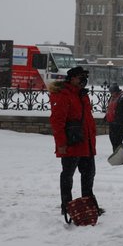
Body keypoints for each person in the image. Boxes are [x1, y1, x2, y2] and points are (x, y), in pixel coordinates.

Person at [49, 67, 98, 217]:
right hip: (72, 143)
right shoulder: (64, 95)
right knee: (68, 174)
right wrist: (61, 144)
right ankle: (67, 205)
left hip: (86, 142)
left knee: (89, 174)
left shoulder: (82, 95)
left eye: (84, 76)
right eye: (80, 77)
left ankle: (88, 204)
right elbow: (57, 121)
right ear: (71, 79)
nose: (83, 80)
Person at [105, 84, 123, 150]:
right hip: (112, 123)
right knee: (113, 141)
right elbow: (109, 109)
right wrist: (106, 117)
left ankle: (117, 155)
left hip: (119, 123)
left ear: (116, 91)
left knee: (117, 142)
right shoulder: (112, 98)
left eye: (113, 92)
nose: (112, 94)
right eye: (111, 92)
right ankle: (116, 154)